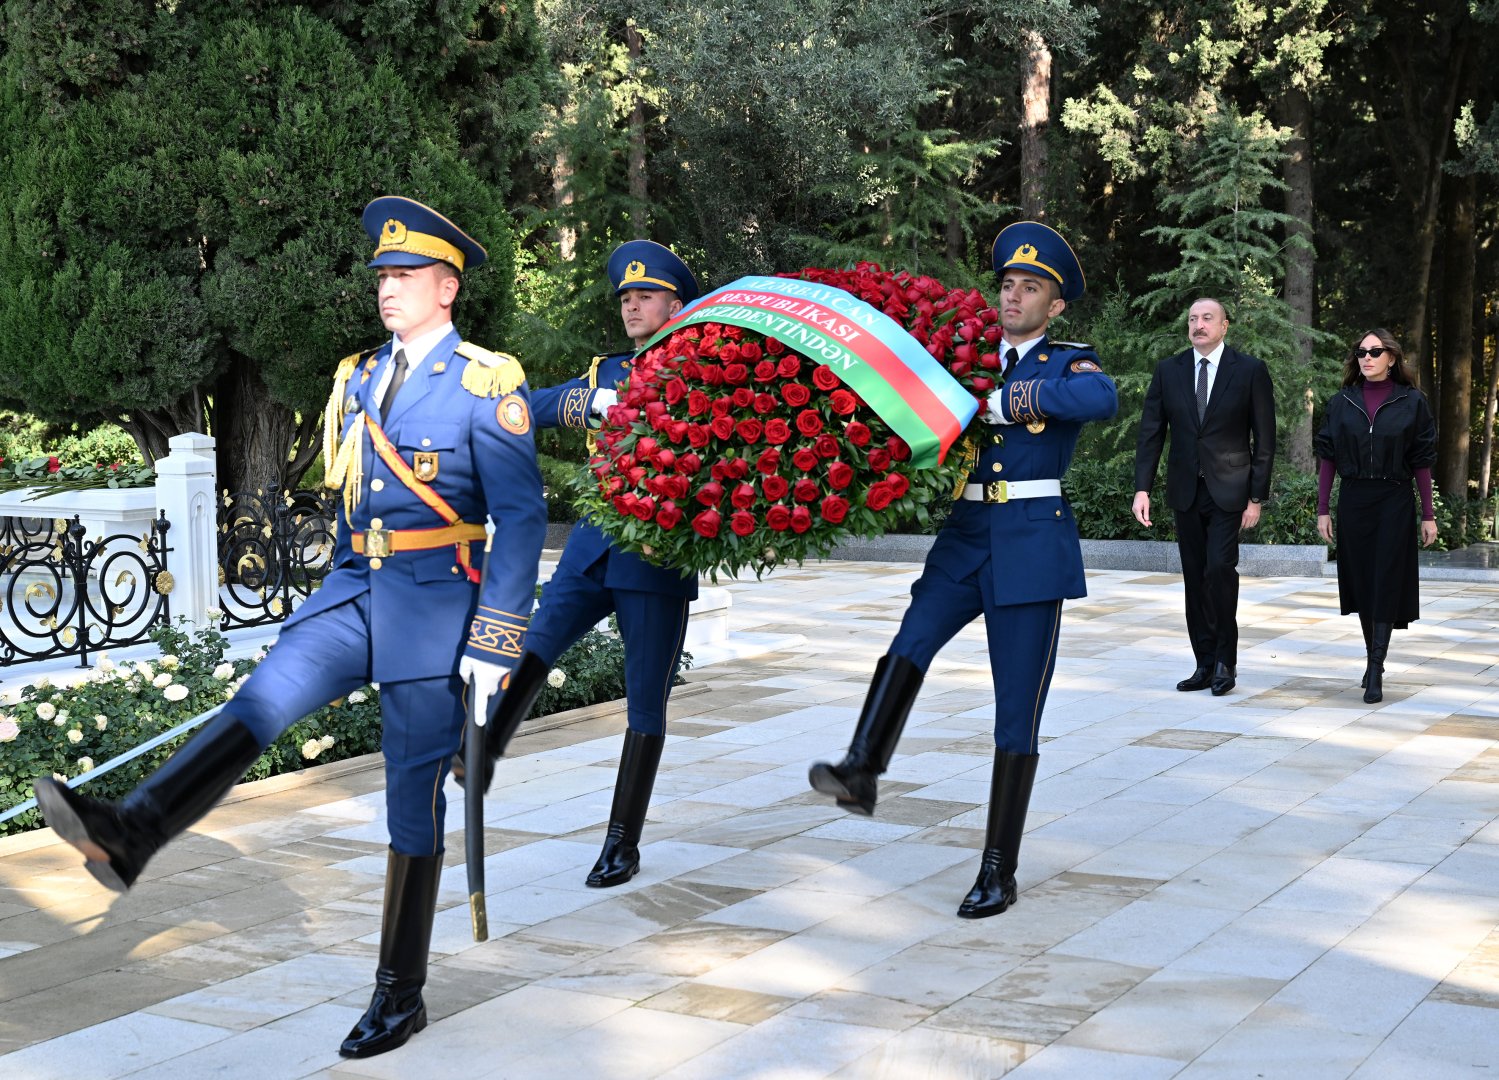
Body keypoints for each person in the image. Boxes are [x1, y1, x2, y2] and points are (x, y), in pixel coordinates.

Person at [33, 197, 547, 1059]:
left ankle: (399, 992)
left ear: (447, 287)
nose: (387, 289)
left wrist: (494, 641)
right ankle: (133, 831)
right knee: (261, 700)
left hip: (432, 608)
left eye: (406, 276)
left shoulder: (484, 383)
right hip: (353, 594)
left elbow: (522, 520)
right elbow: (357, 499)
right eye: (383, 275)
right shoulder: (358, 375)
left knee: (409, 808)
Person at [808, 222, 1118, 919]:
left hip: (1031, 543)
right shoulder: (962, 357)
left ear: (1055, 306)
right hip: (964, 534)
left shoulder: (1065, 363)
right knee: (909, 640)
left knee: (1015, 712)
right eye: (1006, 283)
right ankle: (861, 769)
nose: (1012, 295)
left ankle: (997, 870)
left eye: (1029, 287)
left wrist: (1013, 401)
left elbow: (1102, 401)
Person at [456, 240, 699, 889]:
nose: (632, 305)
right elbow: (526, 409)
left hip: (656, 558)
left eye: (644, 295)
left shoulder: (706, 371)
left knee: (644, 705)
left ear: (676, 304)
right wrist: (577, 406)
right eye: (625, 296)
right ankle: (479, 751)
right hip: (593, 547)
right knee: (537, 640)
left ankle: (622, 842)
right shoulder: (606, 371)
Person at [1132, 298, 1275, 697]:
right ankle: (1203, 663)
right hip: (1185, 491)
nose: (1198, 325)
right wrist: (1142, 487)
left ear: (1224, 326)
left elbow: (1265, 441)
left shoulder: (1249, 371)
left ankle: (1226, 662)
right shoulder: (1169, 370)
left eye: (1207, 318)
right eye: (1193, 319)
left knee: (1219, 572)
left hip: (1230, 492)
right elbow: (1151, 433)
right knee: (1195, 579)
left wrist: (1256, 497)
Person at [1315, 329, 1437, 703]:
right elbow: (1328, 458)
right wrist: (1322, 509)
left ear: (1392, 357)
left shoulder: (1412, 402)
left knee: (1385, 579)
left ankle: (1375, 666)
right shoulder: (1342, 402)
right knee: (1363, 583)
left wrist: (1428, 514)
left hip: (1394, 500)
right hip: (1354, 500)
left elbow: (1421, 462)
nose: (1367, 357)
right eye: (1361, 352)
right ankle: (1373, 661)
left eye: (1375, 351)